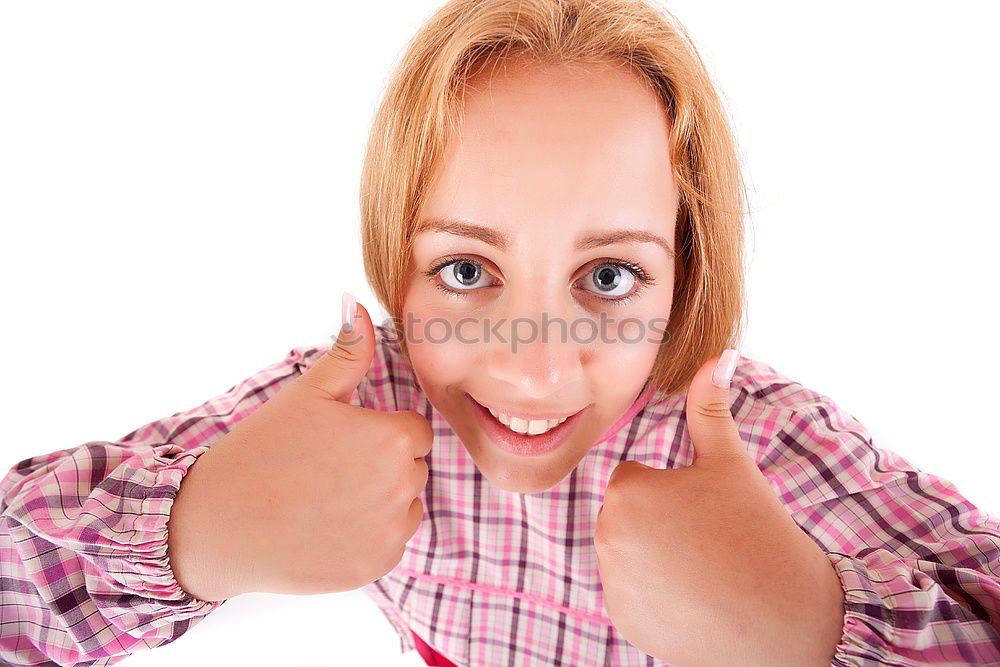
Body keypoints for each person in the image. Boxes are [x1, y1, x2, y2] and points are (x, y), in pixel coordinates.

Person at [3, 0, 999, 665]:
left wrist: (808, 624)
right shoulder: (355, 401)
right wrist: (188, 535)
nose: (532, 366)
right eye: (467, 271)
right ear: (397, 262)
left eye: (609, 276)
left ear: (685, 271)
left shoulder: (758, 445)